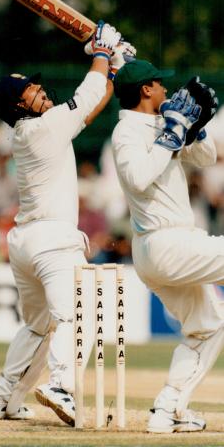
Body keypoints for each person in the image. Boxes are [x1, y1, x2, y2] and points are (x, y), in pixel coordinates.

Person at [0, 21, 136, 425]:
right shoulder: (45, 128)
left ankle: (3, 398)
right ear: (18, 105)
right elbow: (84, 98)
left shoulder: (36, 130)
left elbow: (88, 107)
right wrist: (102, 51)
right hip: (52, 239)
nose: (40, 90)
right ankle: (61, 385)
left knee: (36, 326)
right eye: (31, 90)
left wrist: (115, 69)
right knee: (78, 316)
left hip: (25, 242)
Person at [111, 59, 223, 433]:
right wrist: (171, 133)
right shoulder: (126, 131)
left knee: (208, 326)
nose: (167, 92)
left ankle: (167, 409)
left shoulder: (164, 120)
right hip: (162, 242)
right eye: (160, 85)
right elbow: (138, 178)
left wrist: (193, 128)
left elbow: (207, 159)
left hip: (172, 246)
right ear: (146, 90)